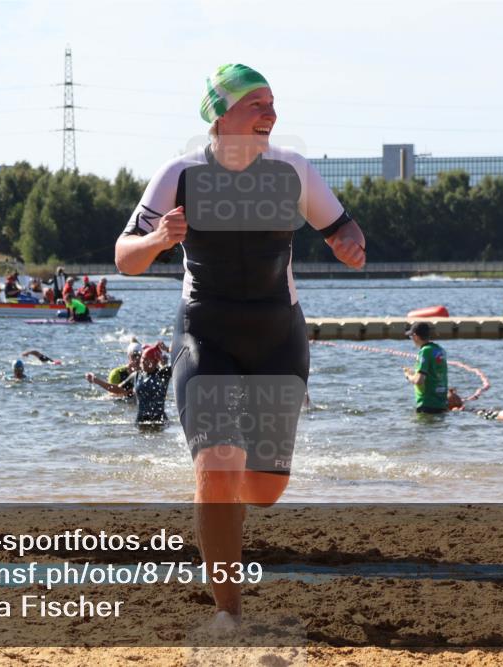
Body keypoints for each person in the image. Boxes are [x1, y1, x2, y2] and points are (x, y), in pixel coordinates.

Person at [114, 63, 366, 627]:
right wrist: (156, 239)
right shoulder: (179, 174)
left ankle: (226, 491)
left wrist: (350, 243)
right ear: (220, 115)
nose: (271, 114)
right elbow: (124, 257)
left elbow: (343, 227)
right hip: (206, 332)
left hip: (279, 337)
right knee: (218, 464)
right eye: (257, 104)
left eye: (273, 103)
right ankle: (228, 613)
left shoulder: (293, 171)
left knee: (264, 489)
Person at [402, 322, 449, 414]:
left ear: (415, 336)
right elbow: (434, 373)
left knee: (422, 427)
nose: (412, 339)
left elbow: (419, 380)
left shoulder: (424, 351)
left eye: (411, 337)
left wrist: (408, 375)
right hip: (442, 403)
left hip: (427, 404)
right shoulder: (439, 350)